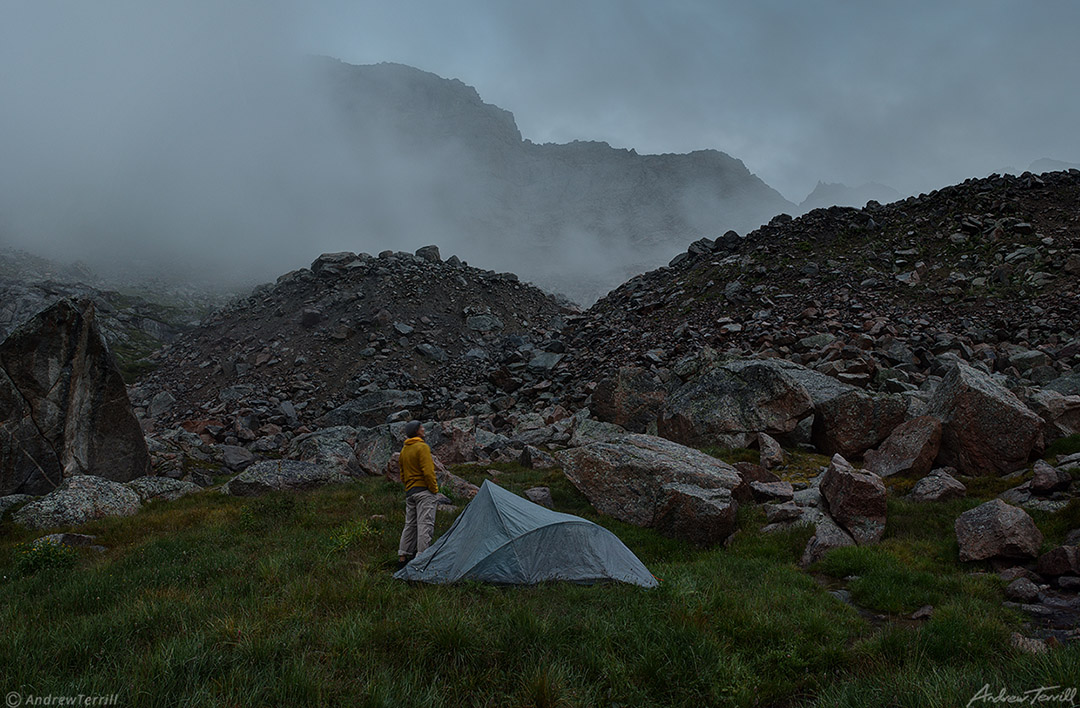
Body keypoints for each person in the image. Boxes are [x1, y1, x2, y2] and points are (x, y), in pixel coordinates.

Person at [397, 420, 439, 570]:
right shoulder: (422, 447)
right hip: (424, 491)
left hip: (410, 492)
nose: (423, 429)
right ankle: (421, 559)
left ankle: (402, 556)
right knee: (425, 525)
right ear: (416, 431)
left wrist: (409, 486)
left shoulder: (404, 450)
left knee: (409, 524)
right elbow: (428, 472)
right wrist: (434, 489)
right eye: (421, 427)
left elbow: (402, 474)